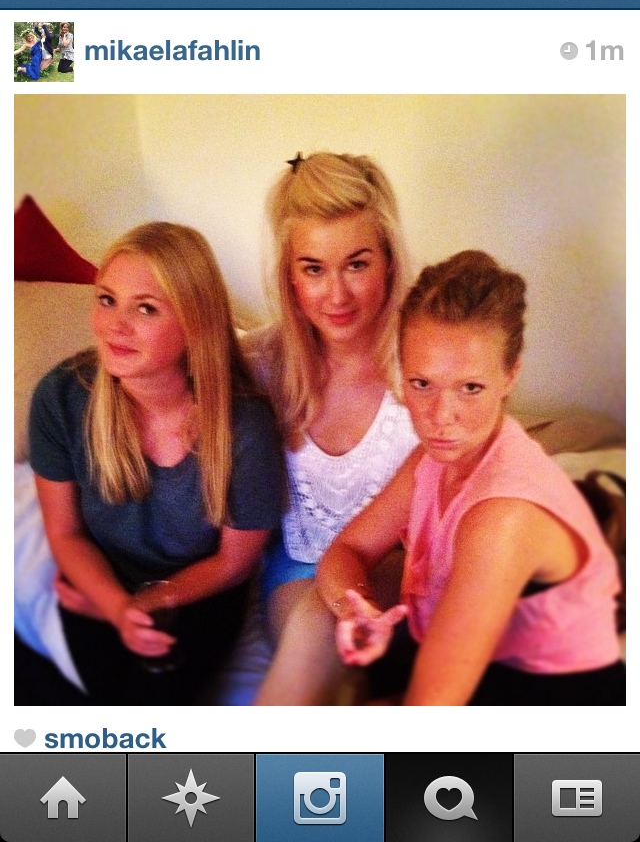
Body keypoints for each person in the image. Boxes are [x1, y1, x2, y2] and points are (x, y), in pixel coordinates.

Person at [315, 250, 625, 705]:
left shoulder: (502, 518)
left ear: (510, 376)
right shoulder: (433, 460)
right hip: (461, 657)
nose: (442, 418)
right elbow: (348, 550)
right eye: (422, 383)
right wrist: (357, 608)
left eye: (471, 388)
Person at [29, 222, 285, 705]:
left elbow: (234, 562)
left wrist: (146, 604)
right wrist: (115, 607)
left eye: (145, 308)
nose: (115, 325)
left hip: (199, 593)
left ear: (194, 324)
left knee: (143, 712)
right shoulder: (61, 397)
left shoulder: (245, 427)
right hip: (100, 578)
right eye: (107, 300)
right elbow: (64, 533)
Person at [250, 152, 418, 704]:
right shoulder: (263, 364)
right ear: (289, 275)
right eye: (314, 269)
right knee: (317, 644)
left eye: (357, 264)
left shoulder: (422, 362)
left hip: (397, 566)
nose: (337, 295)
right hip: (298, 569)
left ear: (388, 261)